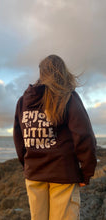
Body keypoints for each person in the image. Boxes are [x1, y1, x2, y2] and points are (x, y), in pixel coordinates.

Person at [13, 55, 97, 220]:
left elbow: (19, 139)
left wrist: (27, 165)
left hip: (34, 174)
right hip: (63, 174)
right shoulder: (68, 97)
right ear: (63, 72)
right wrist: (86, 172)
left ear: (42, 73)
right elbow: (84, 136)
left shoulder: (24, 101)